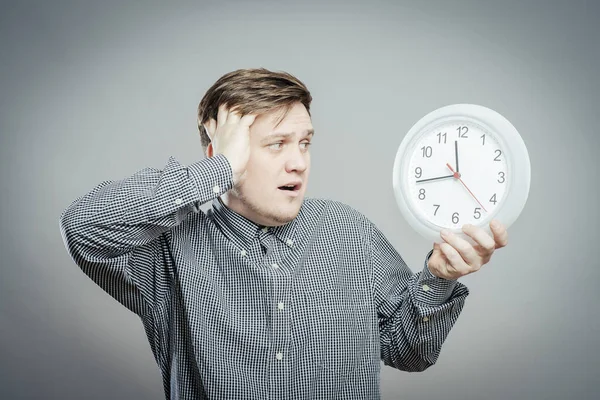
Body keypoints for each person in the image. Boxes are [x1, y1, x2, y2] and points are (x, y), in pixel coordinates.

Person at [59, 68, 508, 400]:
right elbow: (84, 226)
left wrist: (438, 277)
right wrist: (218, 171)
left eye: (305, 142)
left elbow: (409, 352)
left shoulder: (349, 231)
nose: (299, 162)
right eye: (277, 144)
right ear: (222, 153)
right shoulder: (166, 246)